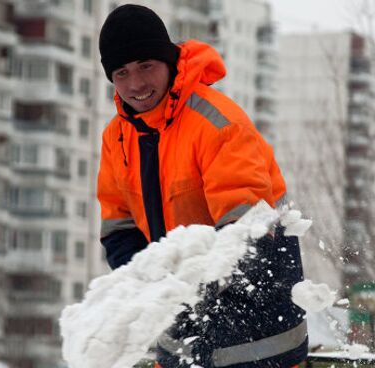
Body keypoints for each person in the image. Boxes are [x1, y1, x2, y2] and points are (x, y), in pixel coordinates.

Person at [97, 4, 308, 367]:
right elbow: (119, 228)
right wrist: (153, 286)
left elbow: (247, 229)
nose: (136, 84)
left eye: (146, 66)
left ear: (168, 61)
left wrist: (192, 287)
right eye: (122, 72)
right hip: (183, 333)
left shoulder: (215, 122)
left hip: (258, 334)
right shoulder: (117, 138)